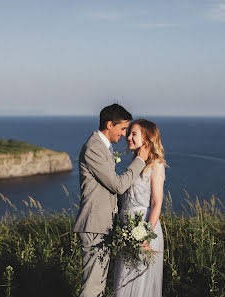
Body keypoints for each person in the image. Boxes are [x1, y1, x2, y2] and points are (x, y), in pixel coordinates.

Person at [73, 104, 150, 297]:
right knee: (92, 288)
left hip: (102, 226)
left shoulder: (103, 148)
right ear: (109, 124)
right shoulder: (94, 148)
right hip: (94, 225)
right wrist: (140, 160)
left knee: (98, 286)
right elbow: (117, 185)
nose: (124, 134)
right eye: (122, 128)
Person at [113, 119, 166, 297]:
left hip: (143, 228)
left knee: (139, 286)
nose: (128, 137)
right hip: (127, 230)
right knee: (123, 283)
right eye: (129, 133)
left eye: (134, 134)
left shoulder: (156, 164)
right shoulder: (136, 163)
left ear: (147, 138)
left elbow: (157, 203)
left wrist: (146, 236)